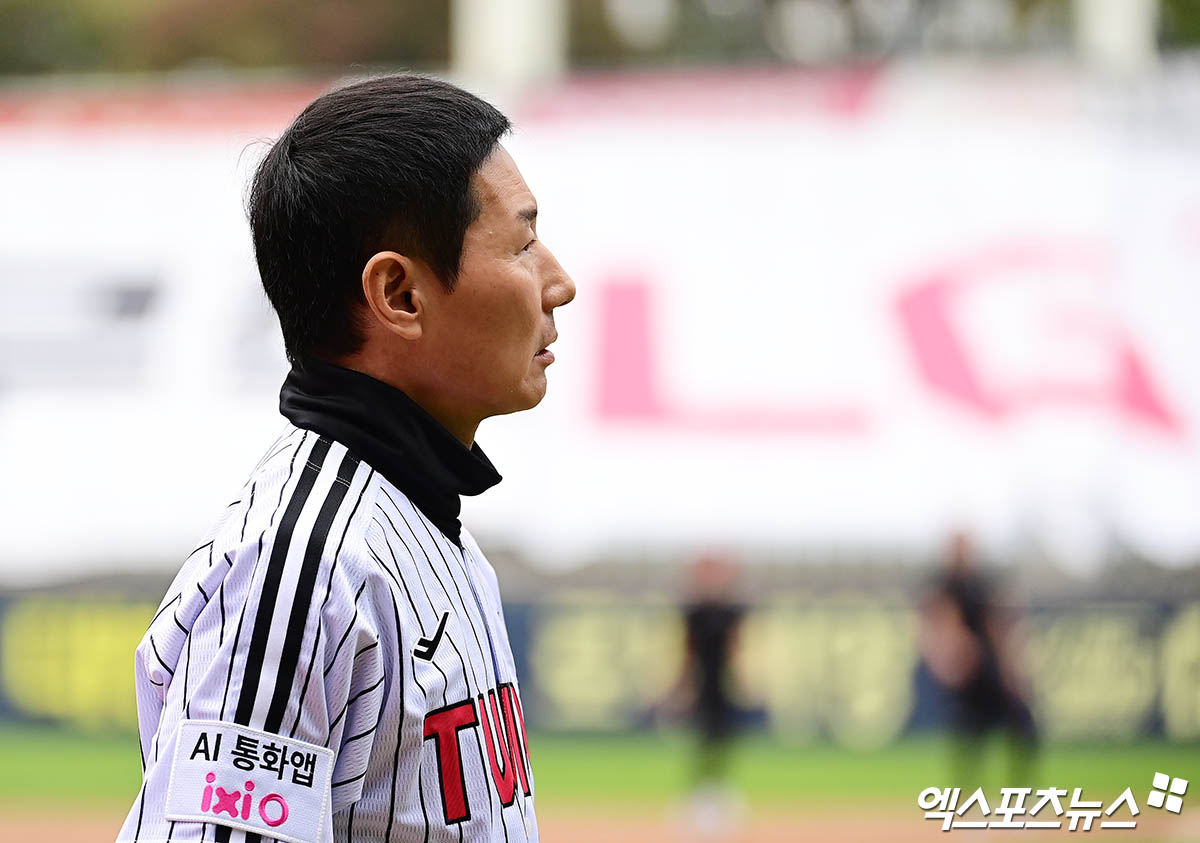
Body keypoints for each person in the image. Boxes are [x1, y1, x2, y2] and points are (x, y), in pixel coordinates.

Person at [117, 74, 575, 843]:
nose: (558, 282)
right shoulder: (302, 564)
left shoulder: (426, 526)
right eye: (524, 243)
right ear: (399, 294)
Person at [918, 531, 1037, 787]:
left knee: (1023, 726)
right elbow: (936, 625)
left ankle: (1019, 794)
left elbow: (999, 626)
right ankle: (968, 797)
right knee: (968, 738)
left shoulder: (982, 584)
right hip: (965, 679)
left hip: (990, 671)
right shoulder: (944, 585)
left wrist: (1010, 670)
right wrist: (948, 660)